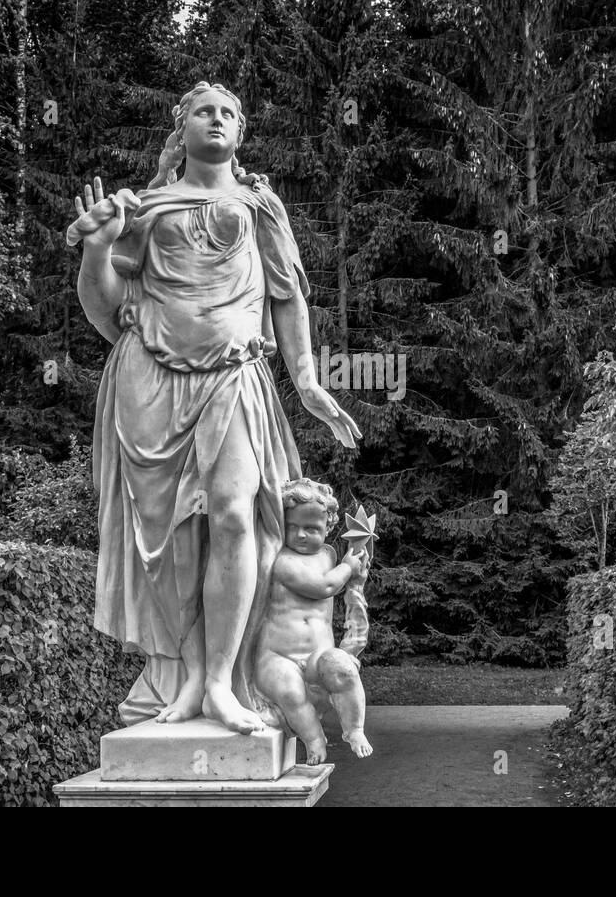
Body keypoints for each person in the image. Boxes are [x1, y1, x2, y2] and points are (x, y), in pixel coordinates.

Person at [70, 82, 361, 734]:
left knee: (236, 516)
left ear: (241, 130)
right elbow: (108, 311)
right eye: (205, 110)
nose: (218, 119)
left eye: (230, 112)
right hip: (151, 382)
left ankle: (224, 681)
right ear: (183, 126)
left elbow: (287, 296)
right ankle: (192, 677)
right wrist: (95, 250)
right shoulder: (147, 208)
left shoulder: (259, 203)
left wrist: (308, 382)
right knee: (174, 543)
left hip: (234, 374)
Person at [255, 477, 373, 763]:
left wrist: (358, 572)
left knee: (343, 668)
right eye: (292, 527)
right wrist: (347, 567)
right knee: (289, 691)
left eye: (311, 529)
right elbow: (324, 587)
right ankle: (314, 739)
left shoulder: (329, 556)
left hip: (318, 655)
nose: (301, 535)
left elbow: (345, 579)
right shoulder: (281, 561)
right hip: (277, 656)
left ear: (328, 527)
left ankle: (354, 729)